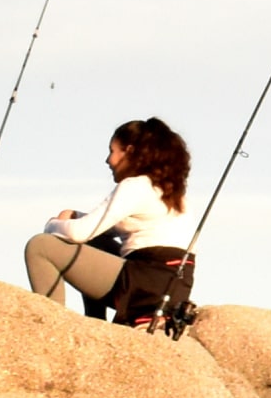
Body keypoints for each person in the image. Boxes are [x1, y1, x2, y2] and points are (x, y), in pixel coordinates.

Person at [25, 117, 190, 311]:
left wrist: (52, 225)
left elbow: (80, 233)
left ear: (129, 152)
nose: (107, 160)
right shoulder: (169, 193)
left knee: (40, 246)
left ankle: (53, 324)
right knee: (94, 241)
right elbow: (109, 226)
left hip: (144, 282)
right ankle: (95, 323)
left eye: (112, 151)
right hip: (171, 284)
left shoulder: (135, 186)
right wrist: (75, 215)